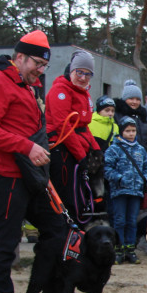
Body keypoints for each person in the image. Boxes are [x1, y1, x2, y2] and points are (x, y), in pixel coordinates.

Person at [0, 30, 67, 293]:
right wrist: (26, 146)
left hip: (28, 173)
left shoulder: (29, 86)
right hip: (2, 174)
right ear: (20, 57)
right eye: (36, 64)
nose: (40, 71)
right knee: (4, 240)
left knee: (56, 227)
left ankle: (48, 287)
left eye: (44, 66)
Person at [47, 49, 99, 221]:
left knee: (77, 198)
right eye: (79, 72)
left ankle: (73, 236)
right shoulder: (60, 91)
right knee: (65, 200)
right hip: (61, 150)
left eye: (88, 74)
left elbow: (83, 127)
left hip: (75, 152)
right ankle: (64, 236)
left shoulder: (83, 93)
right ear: (71, 71)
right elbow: (64, 126)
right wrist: (82, 156)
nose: (83, 78)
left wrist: (96, 150)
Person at [104, 115, 147, 264]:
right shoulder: (114, 149)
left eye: (133, 131)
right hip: (119, 191)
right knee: (119, 220)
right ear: (121, 132)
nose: (131, 134)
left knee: (132, 221)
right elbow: (106, 168)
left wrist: (145, 179)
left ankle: (130, 249)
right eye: (128, 131)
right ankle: (119, 249)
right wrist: (119, 178)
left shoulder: (140, 149)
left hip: (136, 191)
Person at [114, 81, 147, 155]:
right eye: (131, 99)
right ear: (124, 99)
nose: (134, 102)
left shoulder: (143, 117)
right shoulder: (117, 116)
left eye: (138, 99)